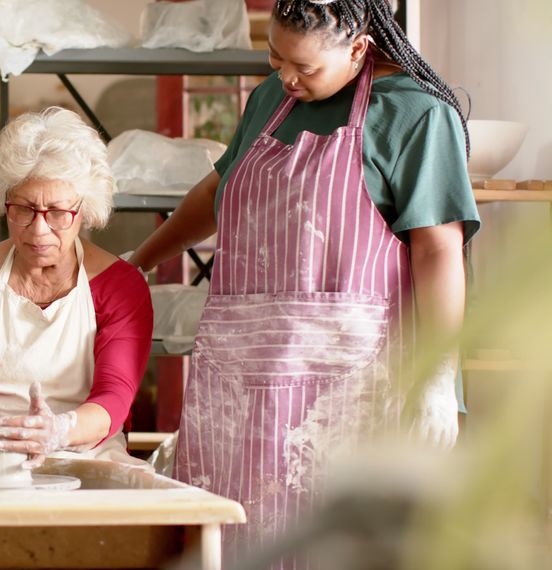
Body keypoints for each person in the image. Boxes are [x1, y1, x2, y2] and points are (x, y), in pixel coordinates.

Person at [128, 0, 480, 565]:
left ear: (359, 49)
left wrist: (438, 378)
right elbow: (216, 194)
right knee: (234, 542)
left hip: (354, 392)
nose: (287, 77)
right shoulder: (271, 100)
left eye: (306, 68)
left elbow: (439, 250)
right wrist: (140, 259)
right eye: (275, 57)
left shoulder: (415, 115)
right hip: (243, 391)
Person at [0, 107, 153, 468]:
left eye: (56, 213)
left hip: (80, 447)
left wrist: (58, 430)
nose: (38, 231)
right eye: (23, 209)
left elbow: (113, 399)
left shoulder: (121, 287)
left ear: (83, 209)